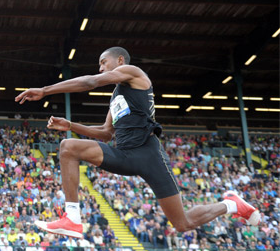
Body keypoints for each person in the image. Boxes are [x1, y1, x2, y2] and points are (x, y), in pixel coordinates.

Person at [15, 46, 260, 238]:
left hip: (149, 156)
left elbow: (90, 82)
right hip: (125, 156)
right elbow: (105, 133)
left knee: (182, 223)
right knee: (68, 146)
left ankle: (230, 205)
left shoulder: (135, 74)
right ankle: (72, 219)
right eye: (99, 65)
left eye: (103, 62)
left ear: (119, 61)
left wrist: (45, 90)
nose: (101, 68)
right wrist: (70, 126)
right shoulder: (116, 97)